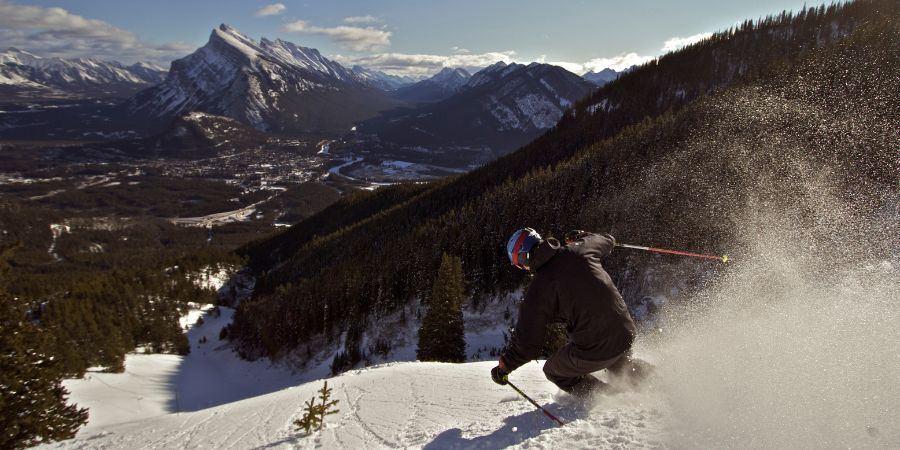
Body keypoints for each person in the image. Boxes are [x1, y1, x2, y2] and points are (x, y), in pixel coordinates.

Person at [491, 228, 649, 398]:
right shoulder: (580, 249)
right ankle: (658, 381)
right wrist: (583, 237)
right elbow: (607, 240)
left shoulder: (538, 290)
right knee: (617, 361)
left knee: (553, 370)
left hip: (596, 347)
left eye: (517, 262)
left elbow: (527, 344)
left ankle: (608, 399)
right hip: (625, 331)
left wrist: (504, 366)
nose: (521, 267)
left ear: (524, 257)